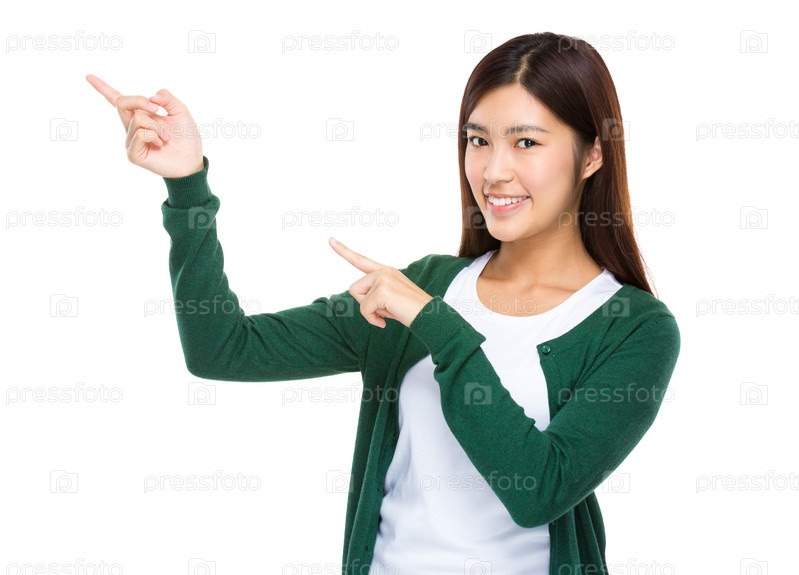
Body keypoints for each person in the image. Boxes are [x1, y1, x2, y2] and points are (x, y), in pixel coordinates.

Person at [87, 31, 680, 575]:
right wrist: (187, 185)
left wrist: (437, 325)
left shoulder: (634, 328)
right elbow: (222, 350)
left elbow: (539, 490)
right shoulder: (423, 286)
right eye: (478, 140)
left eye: (526, 142)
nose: (494, 171)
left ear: (592, 154)